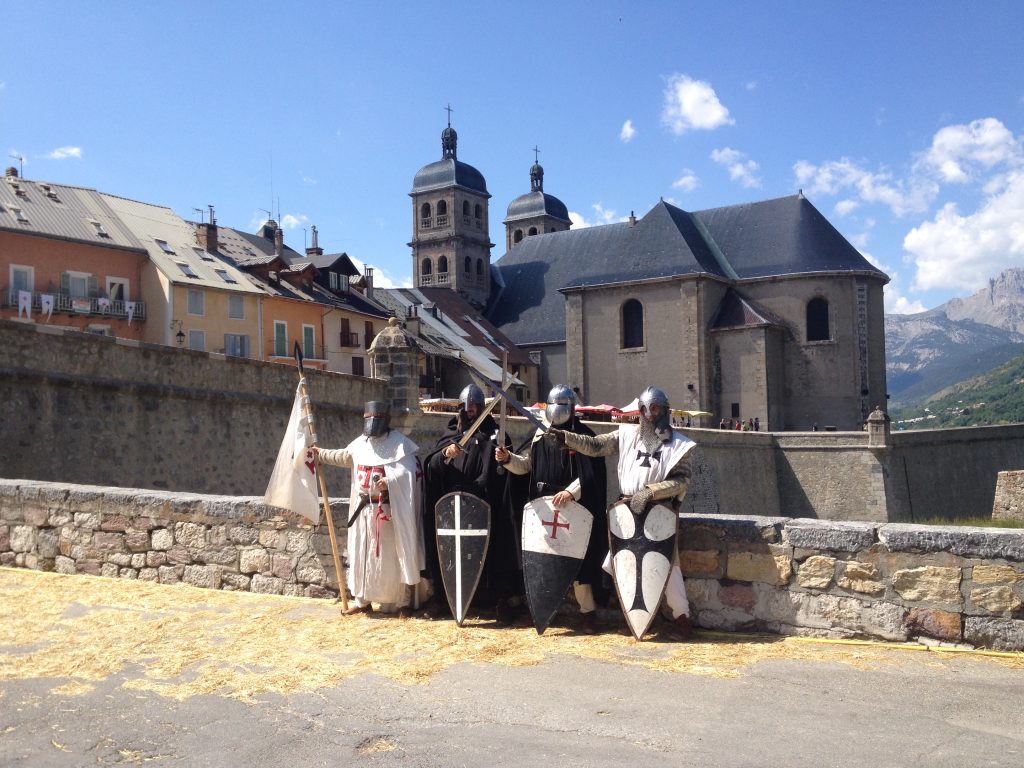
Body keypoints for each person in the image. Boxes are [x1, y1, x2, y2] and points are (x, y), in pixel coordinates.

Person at [546, 386, 696, 639]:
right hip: (626, 511)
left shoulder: (679, 445)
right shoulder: (626, 435)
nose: (649, 414)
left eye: (654, 408)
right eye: (644, 409)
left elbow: (681, 481)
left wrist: (650, 492)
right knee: (620, 565)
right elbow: (594, 445)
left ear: (664, 410)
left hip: (657, 513)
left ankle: (683, 621)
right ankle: (633, 618)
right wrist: (567, 438)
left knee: (667, 567)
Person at [495, 384, 608, 634]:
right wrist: (508, 460)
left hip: (573, 508)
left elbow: (591, 475)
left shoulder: (583, 437)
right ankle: (540, 611)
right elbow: (527, 468)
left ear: (571, 408)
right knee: (543, 561)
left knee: (578, 562)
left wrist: (571, 492)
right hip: (543, 506)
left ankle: (587, 613)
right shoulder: (539, 436)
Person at [313, 400, 423, 616]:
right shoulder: (360, 444)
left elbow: (411, 473)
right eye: (368, 418)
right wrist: (320, 453)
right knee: (362, 557)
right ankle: (362, 601)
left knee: (393, 557)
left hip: (389, 514)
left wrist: (389, 482)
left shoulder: (400, 445)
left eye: (375, 419)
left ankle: (403, 603)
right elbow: (343, 456)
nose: (371, 423)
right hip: (362, 512)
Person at [423, 383, 519, 623]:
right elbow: (431, 467)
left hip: (486, 504)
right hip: (451, 507)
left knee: (493, 553)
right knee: (450, 554)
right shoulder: (450, 437)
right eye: (467, 407)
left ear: (483, 408)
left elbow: (506, 474)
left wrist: (503, 459)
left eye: (475, 406)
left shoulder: (497, 436)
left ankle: (499, 601)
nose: (471, 411)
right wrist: (445, 456)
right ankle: (446, 599)